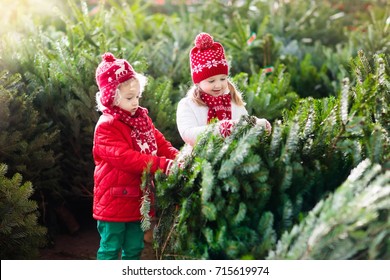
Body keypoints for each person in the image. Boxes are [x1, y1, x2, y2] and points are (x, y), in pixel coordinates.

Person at [93, 52, 178, 260]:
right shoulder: (107, 126)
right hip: (114, 200)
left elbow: (158, 141)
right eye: (129, 98)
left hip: (139, 200)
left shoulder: (141, 119)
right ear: (111, 97)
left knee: (135, 247)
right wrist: (162, 165)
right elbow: (126, 158)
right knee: (111, 248)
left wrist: (177, 157)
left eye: (138, 96)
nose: (135, 102)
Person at [176, 32, 271, 147]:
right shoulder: (188, 105)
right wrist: (225, 128)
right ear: (198, 82)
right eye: (211, 81)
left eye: (223, 79)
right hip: (200, 161)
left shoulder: (233, 101)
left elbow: (245, 124)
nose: (218, 85)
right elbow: (189, 134)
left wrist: (258, 124)